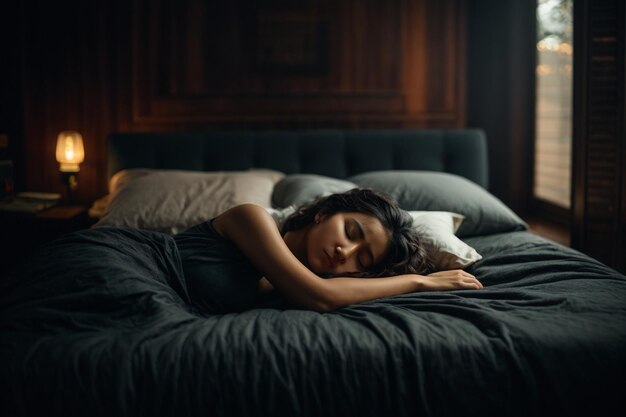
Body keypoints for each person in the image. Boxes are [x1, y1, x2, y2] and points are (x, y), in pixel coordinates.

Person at [173, 188, 482, 314]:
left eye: (361, 259)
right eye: (350, 232)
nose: (344, 252)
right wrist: (422, 282)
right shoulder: (251, 218)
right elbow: (320, 295)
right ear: (324, 213)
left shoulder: (302, 282)